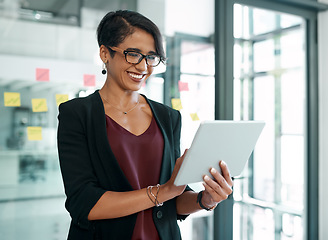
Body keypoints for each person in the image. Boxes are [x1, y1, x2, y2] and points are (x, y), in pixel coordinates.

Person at [57, 9, 233, 240]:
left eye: (150, 57)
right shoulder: (77, 114)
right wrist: (164, 191)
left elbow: (174, 200)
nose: (143, 67)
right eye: (133, 54)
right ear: (104, 53)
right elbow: (84, 203)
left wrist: (205, 200)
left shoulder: (168, 117)